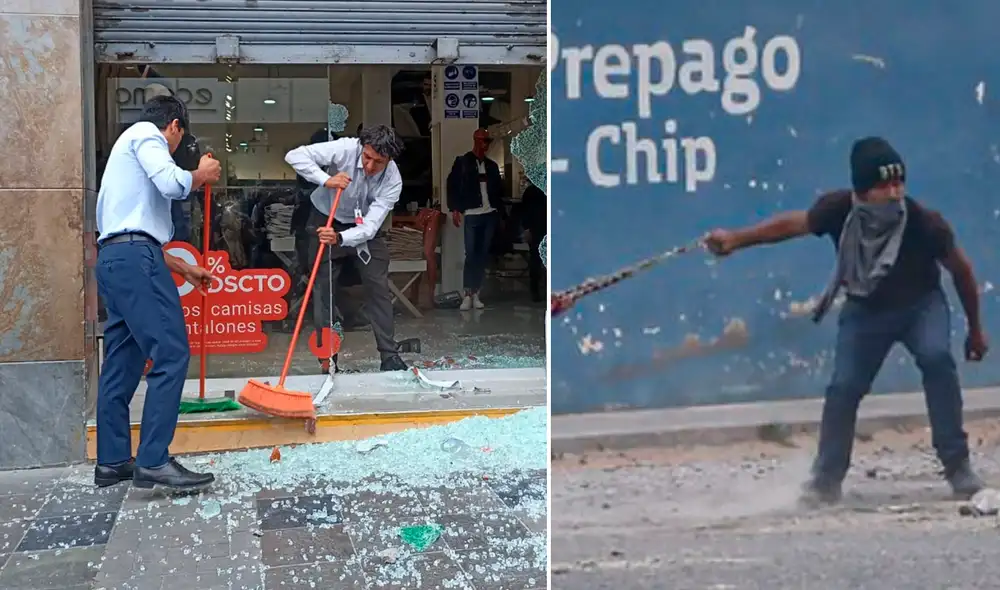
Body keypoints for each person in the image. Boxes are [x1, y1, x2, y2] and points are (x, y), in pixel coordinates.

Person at [704, 136, 989, 504]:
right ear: (862, 190)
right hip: (865, 310)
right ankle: (825, 480)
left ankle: (958, 467)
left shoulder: (924, 223)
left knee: (936, 359)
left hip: (921, 307)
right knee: (844, 388)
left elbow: (961, 271)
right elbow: (792, 225)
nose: (894, 193)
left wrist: (975, 330)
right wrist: (736, 240)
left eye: (899, 183)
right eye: (883, 185)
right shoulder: (838, 210)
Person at [94, 95, 222, 491]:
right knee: (171, 352)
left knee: (122, 361)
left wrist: (185, 268)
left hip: (116, 260)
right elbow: (172, 183)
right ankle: (153, 460)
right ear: (175, 126)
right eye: (179, 137)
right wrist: (200, 174)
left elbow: (132, 233)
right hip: (136, 261)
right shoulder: (148, 135)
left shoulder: (125, 156)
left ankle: (113, 460)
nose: (176, 145)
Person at [285, 124, 409, 372]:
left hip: (362, 227)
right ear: (362, 147)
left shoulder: (393, 180)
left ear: (390, 160)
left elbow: (371, 226)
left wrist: (340, 238)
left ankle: (389, 356)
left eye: (379, 162)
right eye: (367, 157)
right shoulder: (345, 149)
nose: (370, 166)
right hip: (325, 216)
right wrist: (326, 180)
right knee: (324, 290)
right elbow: (294, 156)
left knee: (379, 288)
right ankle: (327, 358)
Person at [447, 128, 506, 311]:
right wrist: (455, 208)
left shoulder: (492, 166)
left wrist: (500, 213)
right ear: (476, 140)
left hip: (490, 213)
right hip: (472, 213)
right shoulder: (463, 162)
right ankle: (468, 293)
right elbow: (453, 185)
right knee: (471, 254)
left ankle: (476, 292)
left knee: (482, 255)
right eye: (483, 140)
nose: (486, 144)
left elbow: (498, 191)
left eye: (488, 141)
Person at [520, 180, 547, 302]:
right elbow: (525, 211)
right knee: (536, 259)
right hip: (537, 228)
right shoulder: (532, 191)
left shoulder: (532, 190)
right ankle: (535, 289)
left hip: (539, 228)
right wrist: (527, 228)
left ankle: (536, 289)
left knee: (536, 259)